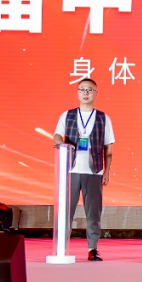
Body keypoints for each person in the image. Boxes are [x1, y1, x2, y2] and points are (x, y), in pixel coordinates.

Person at [52, 78, 114, 261]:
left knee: (93, 212)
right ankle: (62, 246)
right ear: (78, 93)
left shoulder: (103, 118)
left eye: (89, 90)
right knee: (66, 211)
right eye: (82, 89)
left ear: (96, 94)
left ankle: (92, 248)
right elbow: (57, 135)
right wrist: (62, 145)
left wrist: (107, 171)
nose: (86, 93)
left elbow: (108, 149)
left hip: (94, 171)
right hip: (70, 170)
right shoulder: (67, 115)